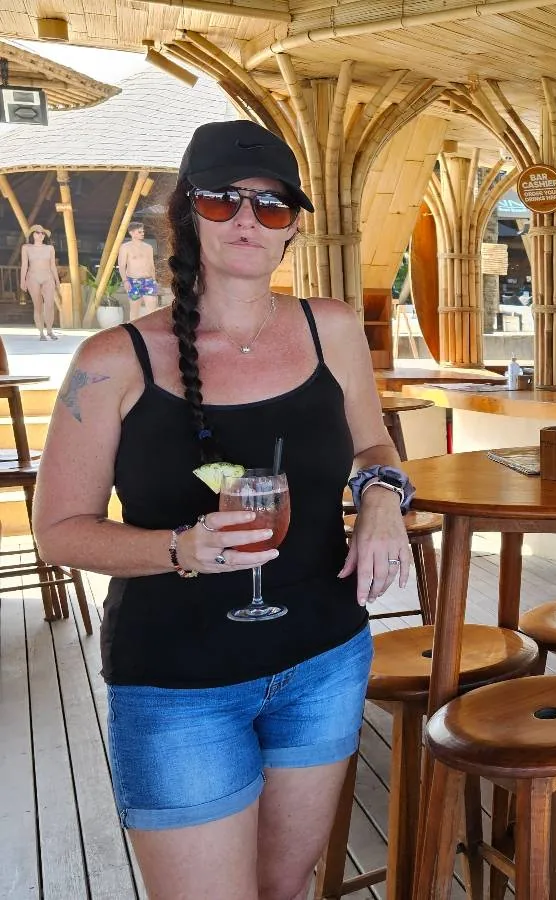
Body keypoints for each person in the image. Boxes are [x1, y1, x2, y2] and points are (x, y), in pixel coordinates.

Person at [32, 119, 411, 900]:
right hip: (178, 685)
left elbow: (376, 450)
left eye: (272, 206)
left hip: (324, 660)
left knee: (287, 885)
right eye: (223, 201)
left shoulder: (331, 328)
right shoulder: (112, 362)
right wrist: (179, 549)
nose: (248, 219)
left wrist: (381, 499)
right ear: (187, 214)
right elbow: (57, 529)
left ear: (292, 228)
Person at [20, 223, 59, 341]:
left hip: (48, 277)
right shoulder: (26, 248)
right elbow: (24, 265)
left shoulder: (50, 248)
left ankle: (50, 330)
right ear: (32, 234)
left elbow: (53, 265)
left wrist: (57, 280)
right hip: (33, 277)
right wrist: (22, 281)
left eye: (42, 233)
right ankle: (41, 332)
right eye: (37, 232)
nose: (40, 234)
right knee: (38, 306)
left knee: (50, 305)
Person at [118, 222, 162, 318]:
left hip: (148, 281)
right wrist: (125, 281)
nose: (143, 233)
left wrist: (154, 281)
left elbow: (152, 266)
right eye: (139, 231)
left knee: (152, 309)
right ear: (132, 233)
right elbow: (121, 266)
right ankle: (134, 331)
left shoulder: (149, 247)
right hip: (133, 281)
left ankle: (152, 331)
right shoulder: (125, 247)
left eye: (143, 231)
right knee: (135, 310)